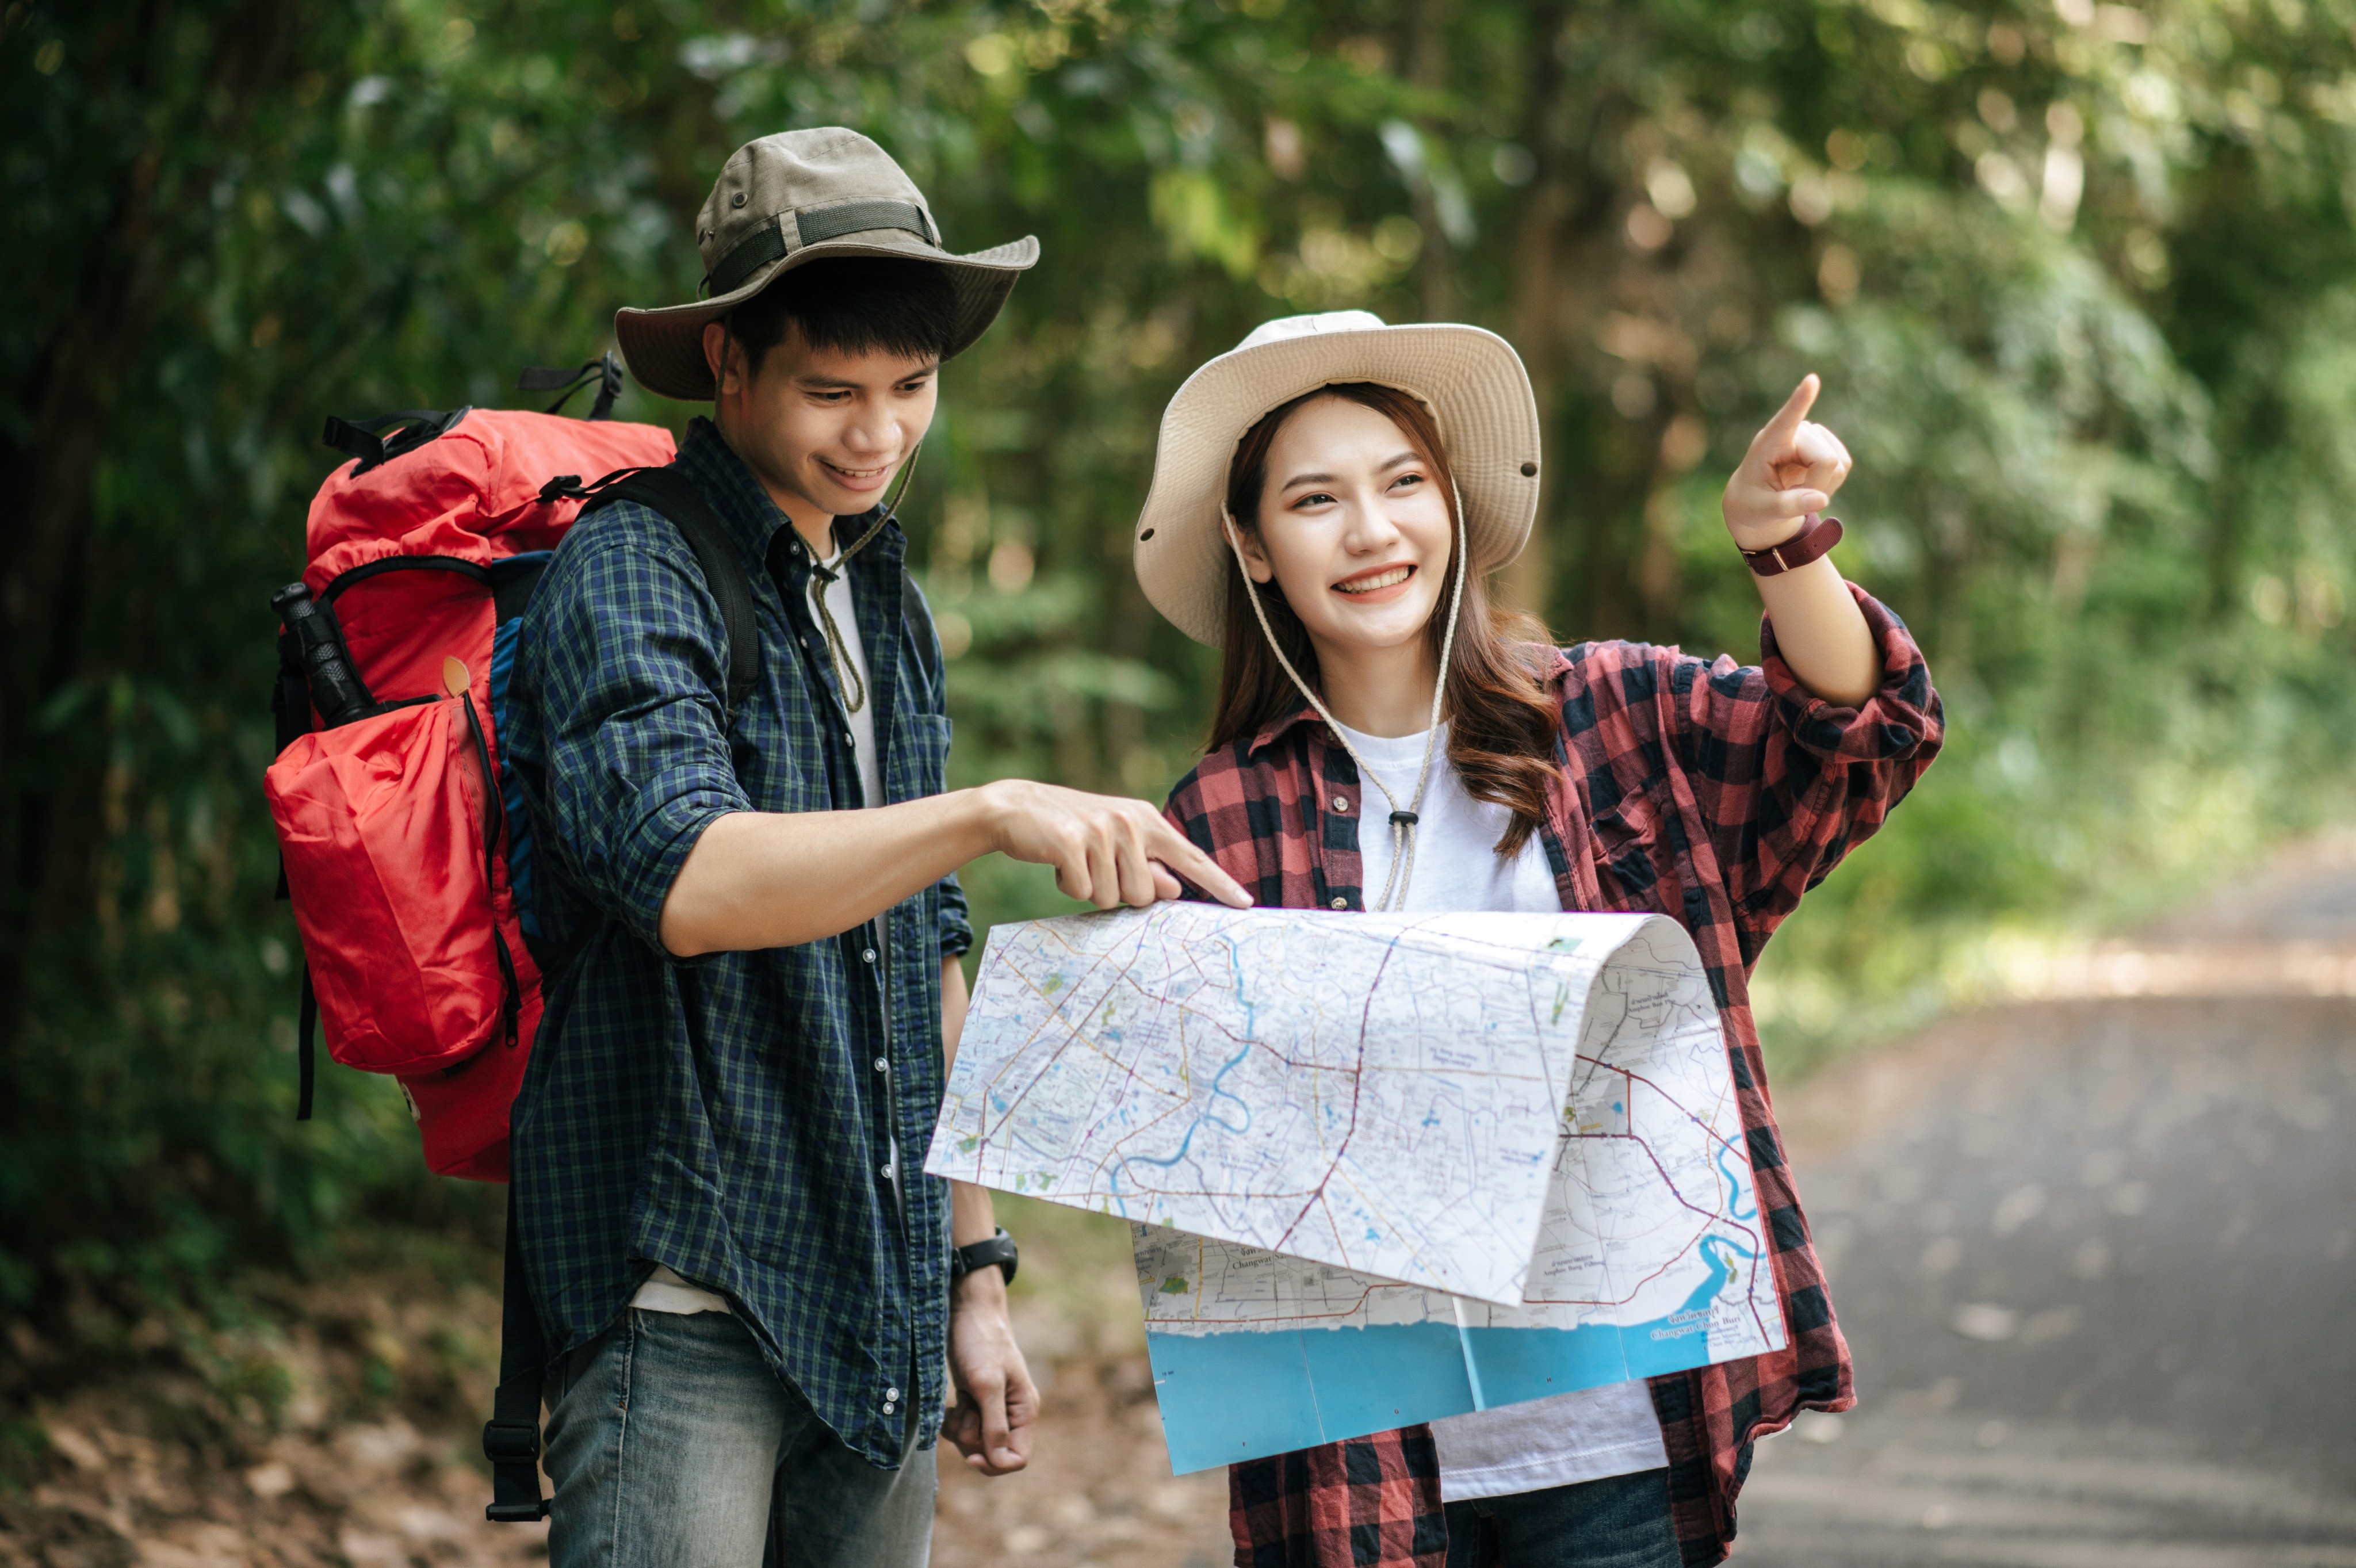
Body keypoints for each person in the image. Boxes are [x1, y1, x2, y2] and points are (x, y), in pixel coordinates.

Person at [504, 128, 1251, 1568]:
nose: (877, 436)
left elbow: (925, 951)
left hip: (881, 1299)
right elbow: (686, 879)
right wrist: (984, 811)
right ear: (727, 365)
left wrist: (973, 1275)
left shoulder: (881, 597)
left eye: (910, 392)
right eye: (831, 392)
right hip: (685, 1303)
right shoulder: (634, 564)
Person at [1131, 311, 1943, 1567]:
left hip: (1608, 1445)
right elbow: (1204, 1168)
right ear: (1251, 542)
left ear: (1450, 503)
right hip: (1358, 1462)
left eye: (1403, 482)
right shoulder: (1222, 817)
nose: (1370, 530)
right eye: (1313, 499)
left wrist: (1779, 548)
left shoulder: (1609, 717)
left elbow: (1856, 730)